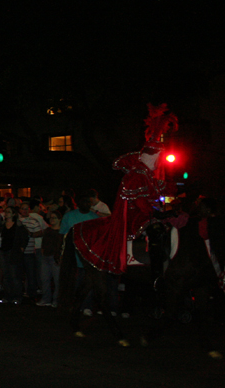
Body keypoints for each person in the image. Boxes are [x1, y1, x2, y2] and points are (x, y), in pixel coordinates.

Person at [72, 104, 178, 275]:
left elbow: (160, 194)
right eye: (159, 158)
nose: (160, 162)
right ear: (154, 157)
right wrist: (157, 212)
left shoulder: (148, 176)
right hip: (135, 214)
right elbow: (141, 203)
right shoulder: (136, 176)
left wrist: (169, 203)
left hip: (147, 212)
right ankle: (155, 271)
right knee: (156, 230)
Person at [38, 210, 63, 307]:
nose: (52, 219)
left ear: (59, 219)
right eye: (51, 217)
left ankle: (56, 300)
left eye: (54, 218)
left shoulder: (61, 231)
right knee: (44, 279)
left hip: (55, 258)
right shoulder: (48, 230)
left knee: (57, 280)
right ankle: (46, 299)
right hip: (46, 257)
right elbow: (44, 242)